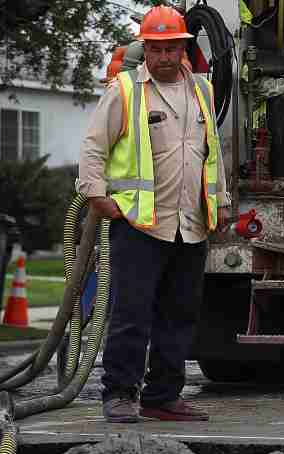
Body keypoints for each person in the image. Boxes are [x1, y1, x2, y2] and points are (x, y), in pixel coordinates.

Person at [77, 5, 232, 423]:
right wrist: (95, 195)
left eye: (171, 48)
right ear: (144, 49)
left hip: (191, 225)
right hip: (141, 224)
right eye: (156, 49)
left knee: (179, 317)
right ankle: (120, 394)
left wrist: (219, 203)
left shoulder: (202, 90)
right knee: (131, 314)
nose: (164, 56)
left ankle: (163, 396)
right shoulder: (125, 89)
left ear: (185, 47)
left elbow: (210, 153)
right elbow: (94, 147)